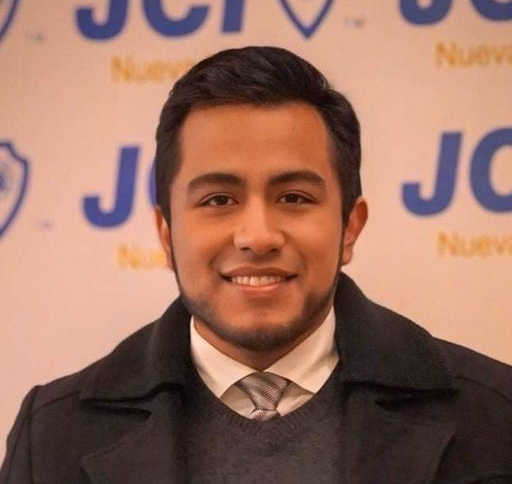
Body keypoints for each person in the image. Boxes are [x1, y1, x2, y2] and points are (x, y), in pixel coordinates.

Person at [1, 47, 511, 484]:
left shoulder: (495, 415)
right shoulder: (52, 435)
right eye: (218, 200)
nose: (258, 237)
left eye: (293, 197)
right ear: (166, 234)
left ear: (350, 228)